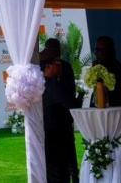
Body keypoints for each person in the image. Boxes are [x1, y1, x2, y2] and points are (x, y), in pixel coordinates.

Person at [40, 38, 79, 183]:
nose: (59, 65)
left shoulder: (63, 71)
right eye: (56, 63)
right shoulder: (51, 85)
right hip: (55, 131)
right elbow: (71, 102)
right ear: (49, 66)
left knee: (64, 163)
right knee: (58, 170)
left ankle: (75, 175)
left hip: (59, 126)